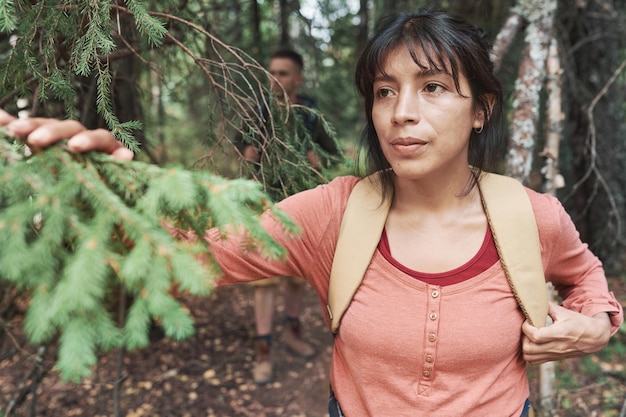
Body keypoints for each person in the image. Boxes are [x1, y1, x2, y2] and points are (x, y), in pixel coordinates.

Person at [2, 9, 623, 416]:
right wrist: (109, 192)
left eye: (432, 87)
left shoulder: (530, 216)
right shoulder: (335, 213)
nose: (401, 112)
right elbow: (196, 249)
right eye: (385, 91)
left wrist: (597, 325)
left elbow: (586, 277)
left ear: (481, 108)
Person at [242, 49, 340, 384]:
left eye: (283, 73)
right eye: (271, 72)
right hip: (266, 203)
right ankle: (263, 350)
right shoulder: (260, 110)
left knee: (298, 274)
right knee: (265, 280)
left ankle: (292, 333)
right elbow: (247, 157)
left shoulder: (310, 112)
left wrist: (314, 162)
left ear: (297, 78)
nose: (275, 79)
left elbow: (326, 152)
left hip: (301, 202)